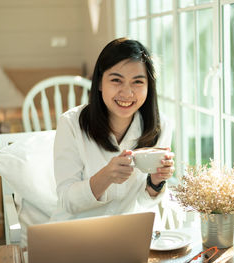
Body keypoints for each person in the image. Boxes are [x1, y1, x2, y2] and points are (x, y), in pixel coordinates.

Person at [51, 38, 174, 221]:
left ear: (149, 86)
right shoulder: (71, 123)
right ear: (100, 83)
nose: (127, 93)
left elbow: (145, 202)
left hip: (129, 233)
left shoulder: (161, 126)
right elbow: (68, 201)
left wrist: (156, 183)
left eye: (137, 82)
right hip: (76, 233)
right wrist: (106, 176)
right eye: (116, 80)